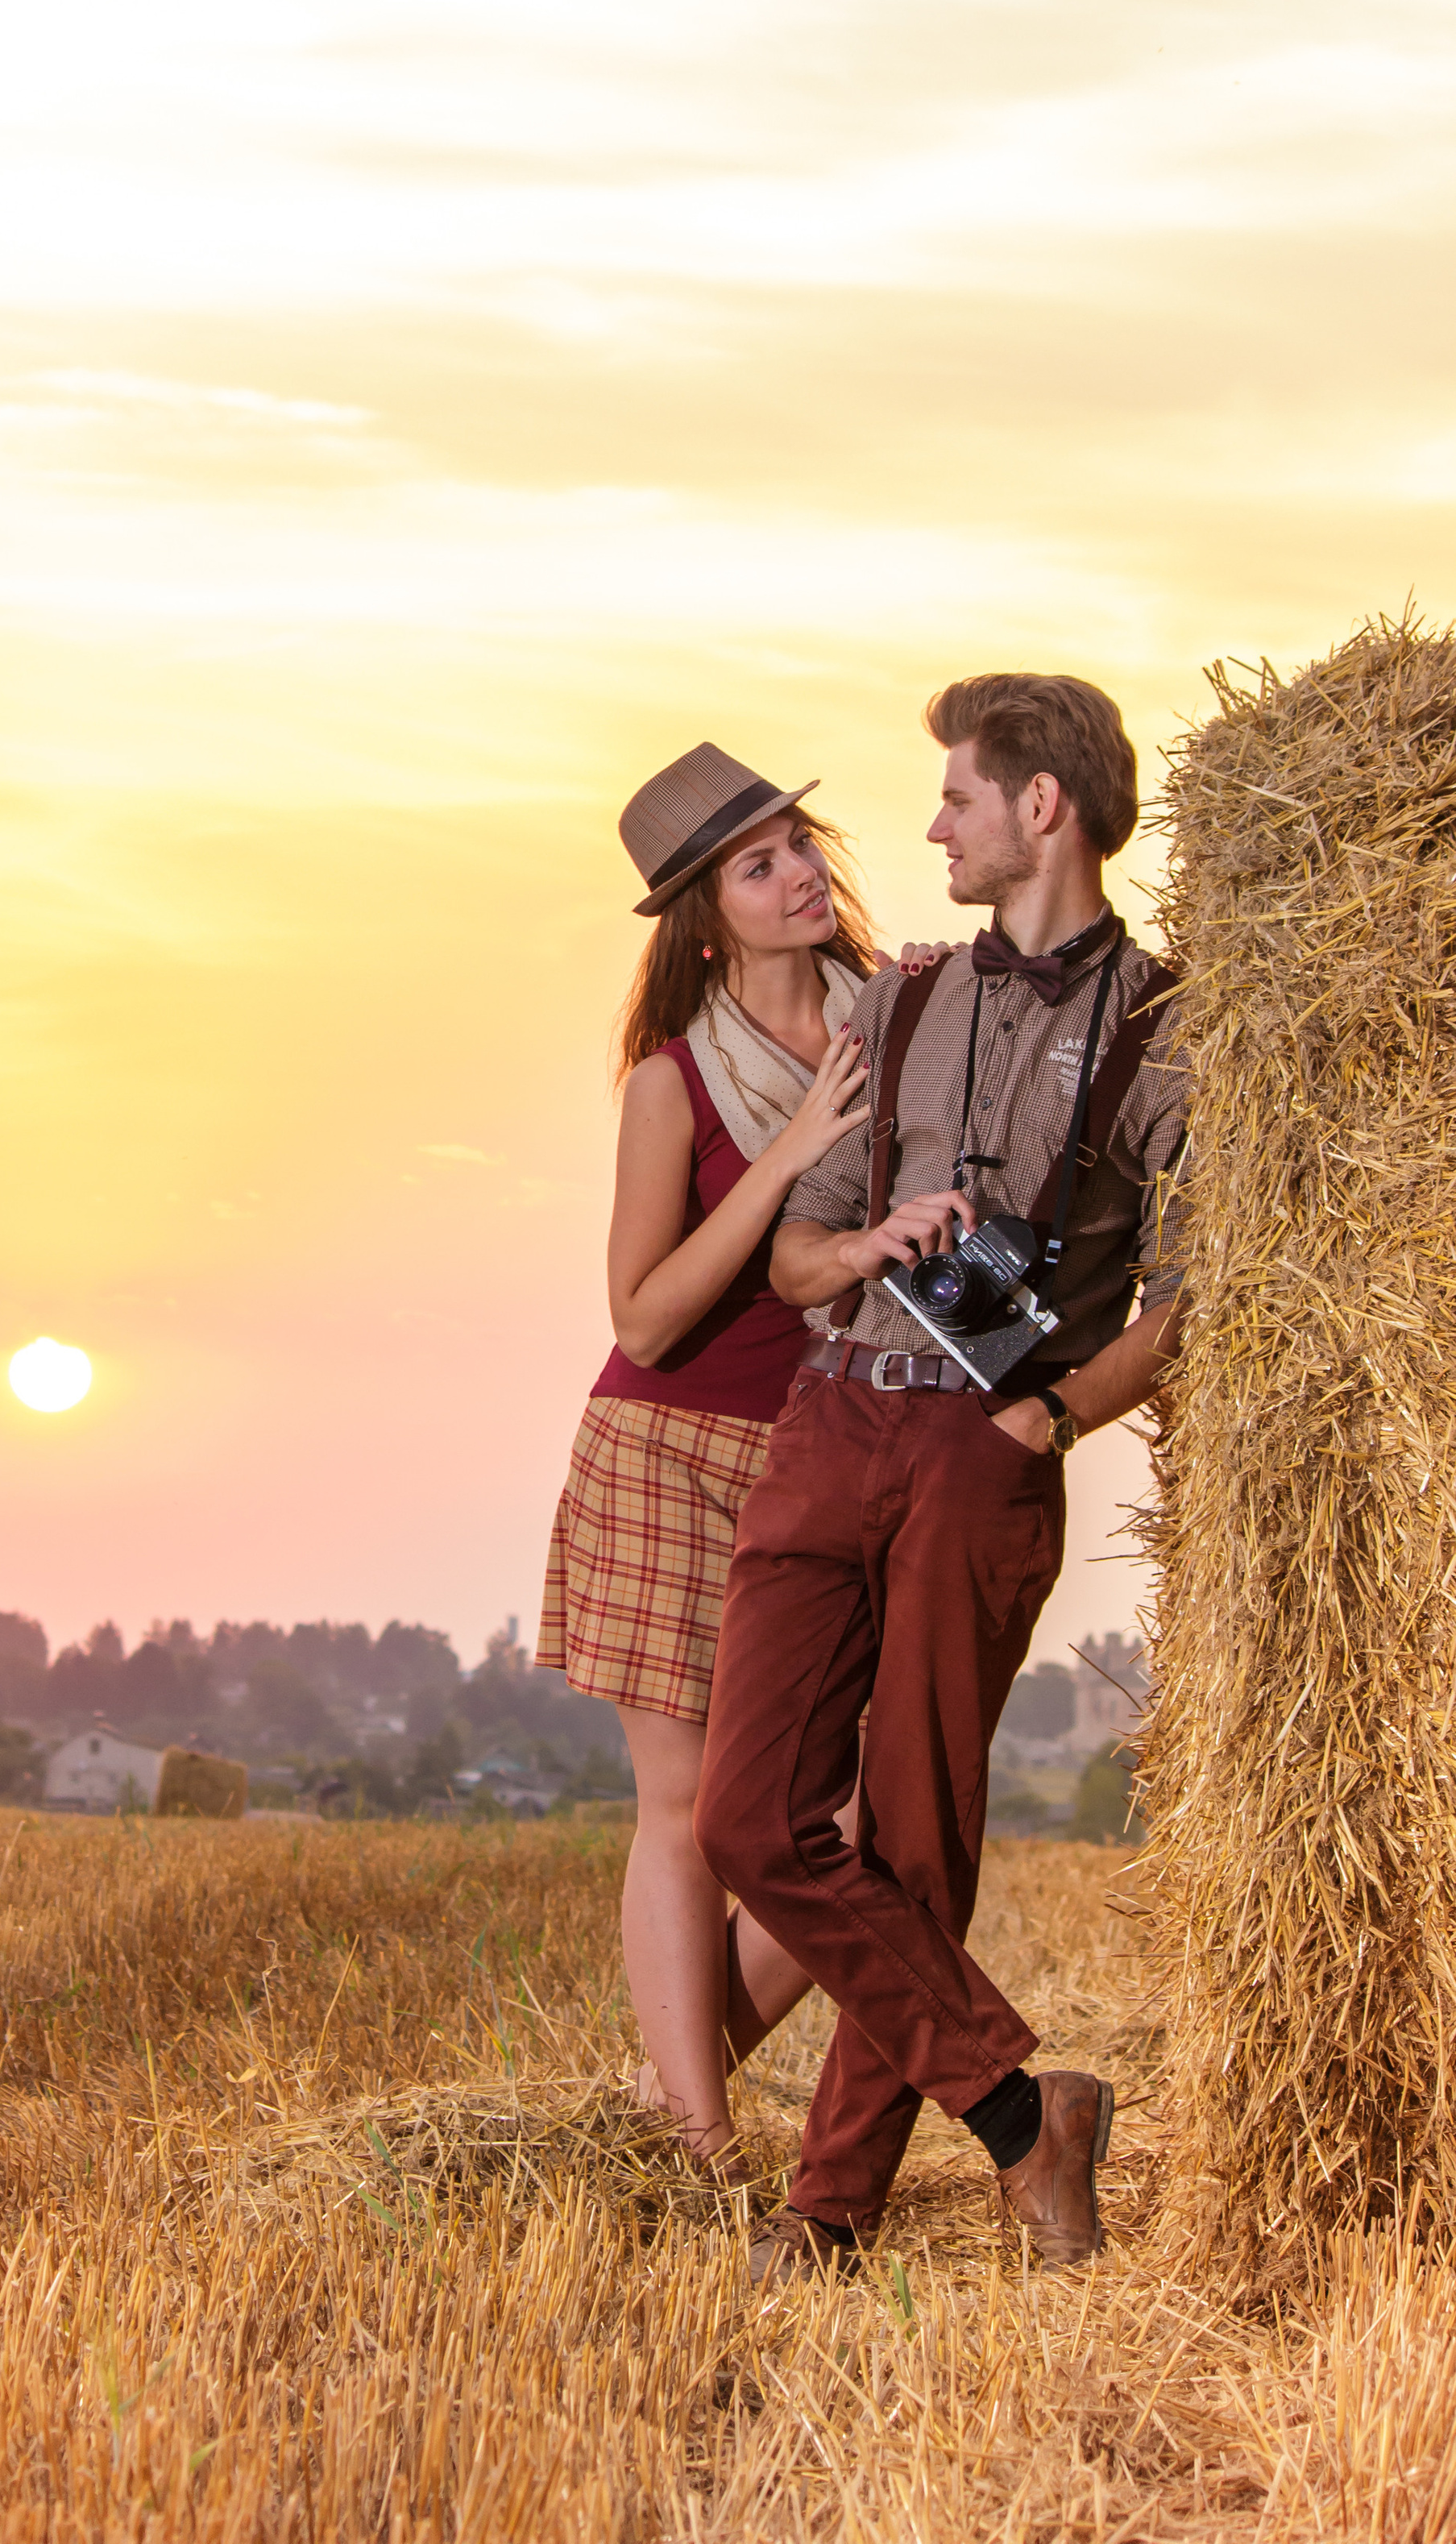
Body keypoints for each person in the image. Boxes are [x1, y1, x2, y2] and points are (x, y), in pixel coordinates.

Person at [694, 674, 1188, 2280]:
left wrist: (1050, 1422)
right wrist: (864, 1240)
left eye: (957, 797)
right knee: (747, 1819)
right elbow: (788, 1260)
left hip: (988, 1446)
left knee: (913, 1834)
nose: (929, 827)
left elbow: (1198, 1290)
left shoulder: (1168, 1030)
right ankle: (1012, 2109)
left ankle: (825, 2212)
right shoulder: (887, 1006)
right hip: (832, 1415)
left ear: (1038, 807)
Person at [535, 741, 880, 2176]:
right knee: (682, 1813)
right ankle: (699, 2145)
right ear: (705, 911)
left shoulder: (906, 1023)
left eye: (799, 842)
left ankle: (669, 2095)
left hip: (838, 1455)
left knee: (869, 1813)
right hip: (670, 1451)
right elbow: (645, 1313)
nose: (797, 872)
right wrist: (795, 1153)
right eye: (758, 863)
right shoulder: (674, 1085)